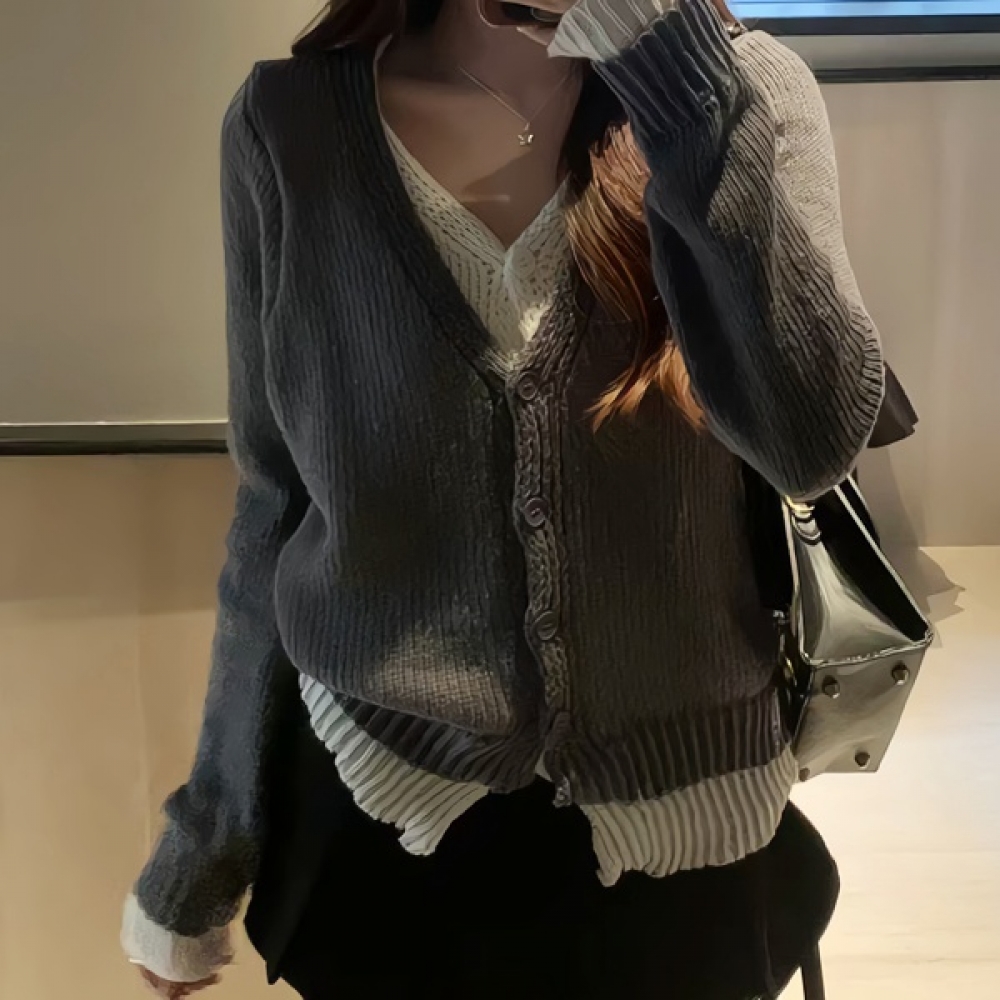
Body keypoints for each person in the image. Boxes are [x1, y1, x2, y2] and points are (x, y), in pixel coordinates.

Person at [122, 1, 885, 997]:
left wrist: (679, 86)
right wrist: (206, 846)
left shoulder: (744, 94)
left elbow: (811, 442)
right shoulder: (290, 126)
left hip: (683, 835)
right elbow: (275, 506)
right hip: (378, 820)